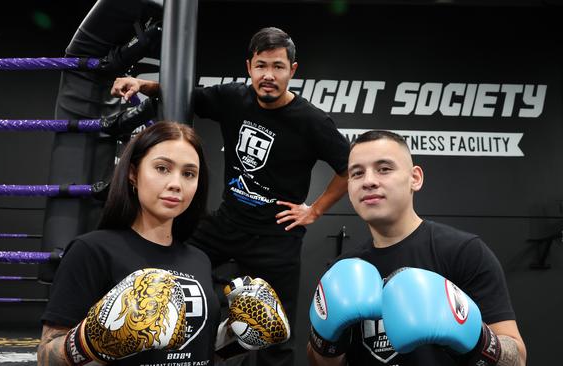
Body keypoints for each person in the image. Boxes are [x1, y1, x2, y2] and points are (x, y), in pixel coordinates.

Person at [111, 27, 350, 366]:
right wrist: (144, 85)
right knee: (172, 278)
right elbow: (187, 95)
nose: (269, 75)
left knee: (277, 338)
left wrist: (315, 210)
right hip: (226, 224)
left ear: (292, 71)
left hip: (276, 239)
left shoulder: (312, 121)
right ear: (249, 66)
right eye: (261, 65)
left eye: (278, 67)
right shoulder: (233, 98)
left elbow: (348, 167)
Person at [307, 130, 527, 366]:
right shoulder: (344, 268)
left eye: (384, 169)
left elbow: (517, 360)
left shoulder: (463, 252)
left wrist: (474, 339)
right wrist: (325, 336)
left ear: (415, 178)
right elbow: (322, 363)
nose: (369, 181)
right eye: (357, 173)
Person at [37, 121, 220, 365]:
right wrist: (89, 341)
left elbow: (195, 350)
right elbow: (46, 358)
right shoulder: (92, 251)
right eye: (162, 168)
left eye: (188, 173)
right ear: (133, 173)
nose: (176, 183)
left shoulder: (199, 260)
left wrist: (234, 338)